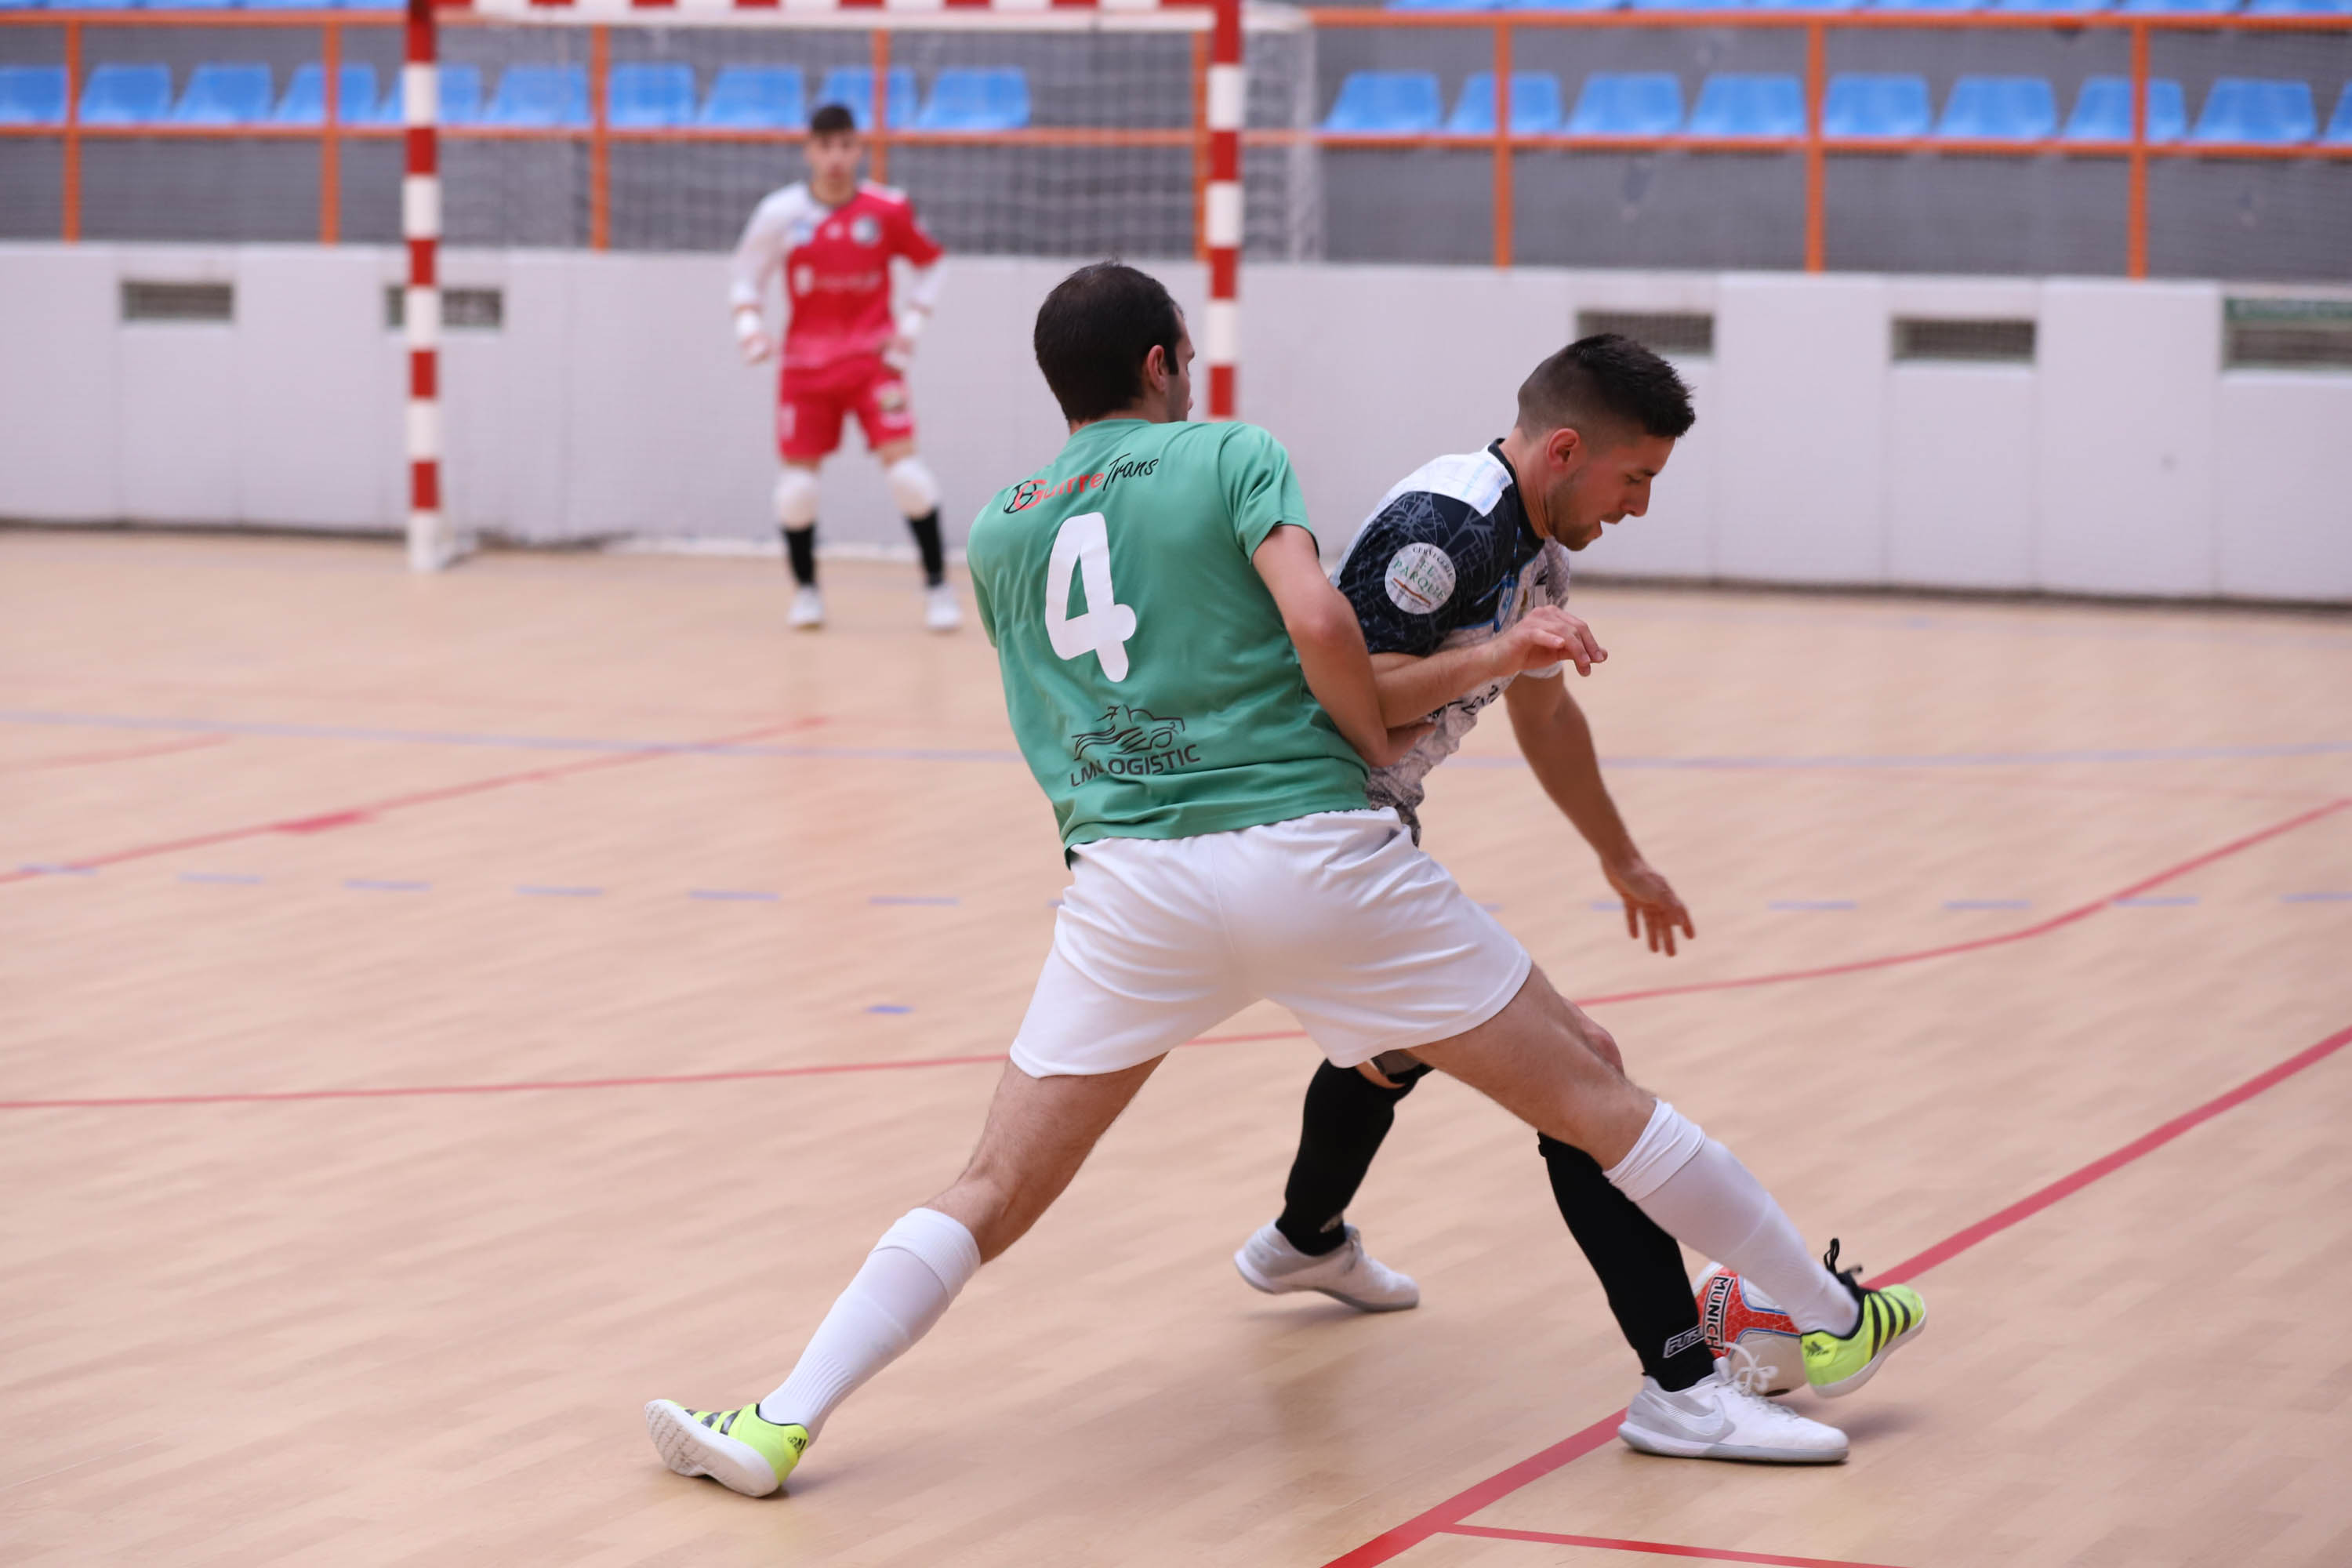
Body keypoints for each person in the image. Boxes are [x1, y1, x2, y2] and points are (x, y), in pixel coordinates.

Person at [644, 263, 1925, 1499]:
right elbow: (1328, 635)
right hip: (1310, 850)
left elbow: (1059, 712)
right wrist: (1370, 767)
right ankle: (1812, 1324)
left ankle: (777, 1419)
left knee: (987, 1189)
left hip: (1126, 889)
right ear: (1163, 365)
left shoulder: (997, 529)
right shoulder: (1231, 455)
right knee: (1595, 1089)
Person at [1231, 334, 1853, 1462]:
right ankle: (1682, 1383)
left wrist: (1620, 857)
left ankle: (1303, 1241)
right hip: (1316, 837)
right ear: (1565, 451)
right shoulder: (1450, 528)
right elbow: (1344, 696)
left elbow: (1547, 713)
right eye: (1636, 480)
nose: (1642, 507)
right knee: (1585, 1077)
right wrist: (1504, 649)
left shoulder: (1532, 546)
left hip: (1346, 840)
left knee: (1397, 1050)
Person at [728, 101, 958, 633]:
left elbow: (932, 263)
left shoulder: (887, 209)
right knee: (796, 491)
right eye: (824, 146)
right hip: (805, 367)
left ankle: (937, 587)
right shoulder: (780, 213)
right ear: (810, 150)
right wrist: (749, 326)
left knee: (908, 476)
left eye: (844, 145)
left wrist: (911, 329)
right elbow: (745, 275)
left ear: (858, 149)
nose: (834, 157)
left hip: (874, 363)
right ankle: (806, 590)